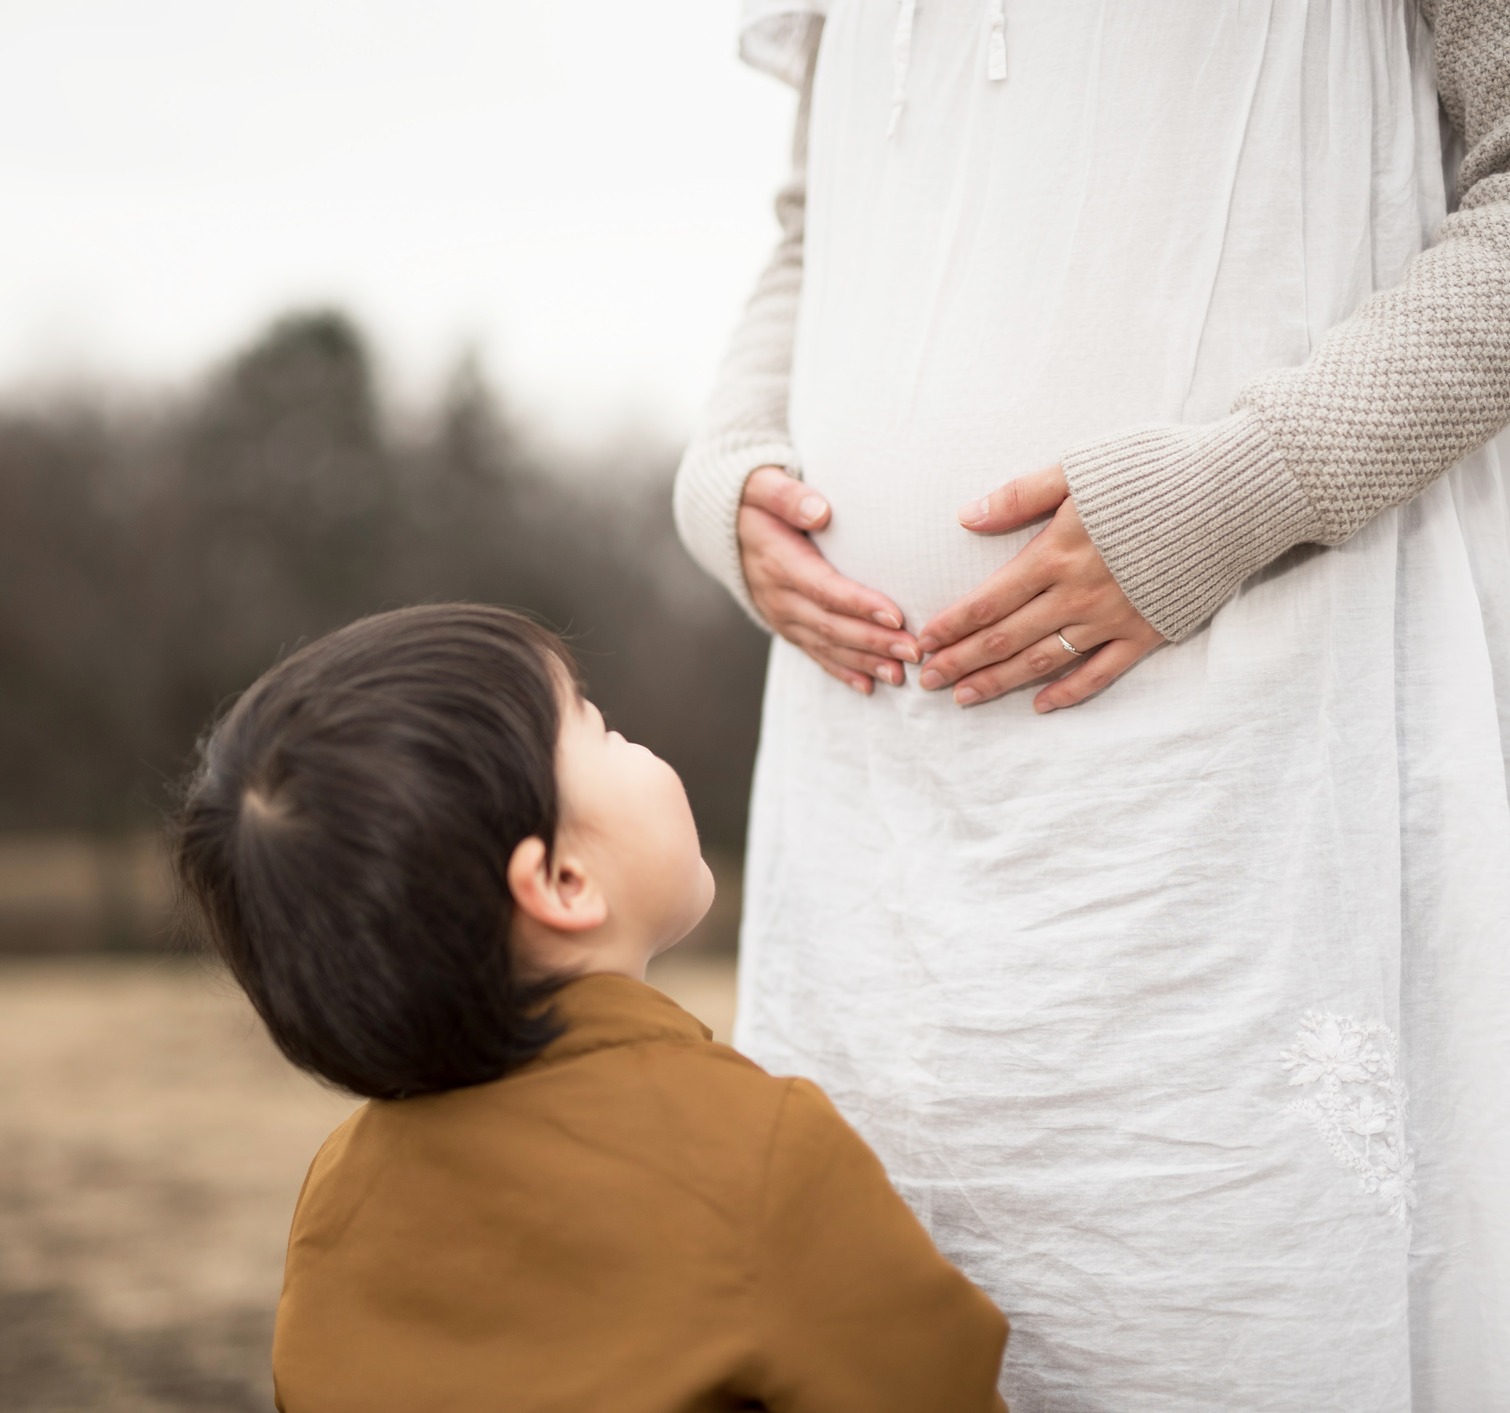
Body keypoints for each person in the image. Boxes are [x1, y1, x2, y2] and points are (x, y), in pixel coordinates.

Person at [674, 0, 1510, 1409]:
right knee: (857, 1333)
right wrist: (723, 469)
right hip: (872, 789)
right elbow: (810, 223)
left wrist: (1226, 499)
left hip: (1243, 743)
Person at [171, 603, 1009, 1412]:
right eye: (602, 728)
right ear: (563, 882)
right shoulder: (760, 1147)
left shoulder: (338, 1187)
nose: (636, 744)